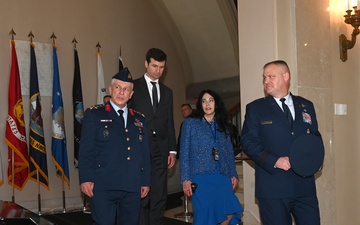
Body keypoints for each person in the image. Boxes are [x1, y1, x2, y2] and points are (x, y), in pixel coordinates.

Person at [240, 60, 322, 225]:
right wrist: (274, 160)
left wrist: (316, 161)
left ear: (286, 76)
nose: (266, 81)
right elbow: (248, 142)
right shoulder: (256, 108)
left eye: (271, 76)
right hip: (273, 188)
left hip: (304, 187)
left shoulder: (306, 105)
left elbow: (315, 138)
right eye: (264, 77)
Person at [78, 67, 151, 225]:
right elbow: (86, 150)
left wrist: (145, 181)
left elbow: (144, 153)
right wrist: (85, 178)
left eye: (126, 89)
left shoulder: (139, 119)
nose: (121, 92)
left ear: (131, 94)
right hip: (103, 184)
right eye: (117, 87)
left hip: (132, 185)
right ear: (111, 89)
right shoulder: (95, 114)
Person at [180, 89, 243, 225]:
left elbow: (228, 153)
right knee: (205, 214)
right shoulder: (190, 124)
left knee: (230, 210)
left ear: (216, 104)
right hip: (200, 177)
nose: (207, 104)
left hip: (222, 175)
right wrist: (185, 178)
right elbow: (184, 152)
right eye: (204, 101)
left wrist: (233, 174)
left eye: (211, 100)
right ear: (200, 105)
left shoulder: (223, 127)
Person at [128, 48, 177, 225]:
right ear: (146, 64)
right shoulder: (133, 87)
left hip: (161, 150)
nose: (158, 71)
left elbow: (169, 121)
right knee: (141, 196)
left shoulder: (167, 92)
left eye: (162, 67)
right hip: (140, 149)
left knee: (159, 194)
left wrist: (172, 149)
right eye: (154, 66)